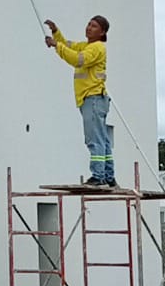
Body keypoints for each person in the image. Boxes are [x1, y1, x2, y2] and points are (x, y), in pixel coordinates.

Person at [44, 16, 116, 189]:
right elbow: (70, 46)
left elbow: (77, 59)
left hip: (92, 98)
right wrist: (56, 33)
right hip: (93, 99)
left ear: (102, 32)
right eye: (89, 24)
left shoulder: (96, 48)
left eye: (94, 26)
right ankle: (108, 177)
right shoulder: (88, 46)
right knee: (103, 140)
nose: (89, 28)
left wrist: (56, 45)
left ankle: (98, 176)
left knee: (95, 139)